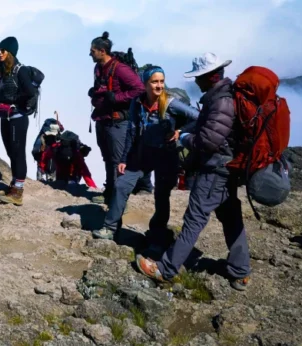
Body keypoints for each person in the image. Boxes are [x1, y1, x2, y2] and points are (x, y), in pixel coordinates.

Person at [135, 53, 252, 291]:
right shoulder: (224, 97)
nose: (196, 82)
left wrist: (186, 137)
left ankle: (165, 269)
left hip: (214, 170)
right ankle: (240, 271)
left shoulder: (220, 103)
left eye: (199, 77)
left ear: (210, 77)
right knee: (230, 217)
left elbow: (209, 141)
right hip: (226, 168)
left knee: (194, 219)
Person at [92, 66, 199, 257]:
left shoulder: (171, 103)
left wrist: (180, 132)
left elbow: (198, 117)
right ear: (145, 83)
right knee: (122, 185)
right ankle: (110, 227)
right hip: (143, 153)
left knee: (161, 195)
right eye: (154, 82)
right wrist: (124, 159)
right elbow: (132, 131)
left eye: (161, 81)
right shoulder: (137, 103)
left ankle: (157, 238)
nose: (159, 86)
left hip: (167, 156)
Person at [87, 32, 145, 205]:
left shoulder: (120, 69)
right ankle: (110, 193)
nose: (90, 54)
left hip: (118, 122)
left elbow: (140, 89)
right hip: (103, 119)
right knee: (108, 159)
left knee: (118, 161)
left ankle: (119, 201)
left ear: (103, 51)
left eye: (93, 51)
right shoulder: (98, 68)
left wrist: (118, 98)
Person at [0, 36, 39, 206]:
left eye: (3, 51)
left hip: (18, 117)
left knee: (18, 152)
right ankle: (14, 185)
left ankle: (18, 192)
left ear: (11, 52)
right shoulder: (1, 70)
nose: (0, 54)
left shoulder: (19, 70)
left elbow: (30, 92)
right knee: (10, 152)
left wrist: (13, 100)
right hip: (5, 118)